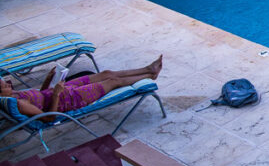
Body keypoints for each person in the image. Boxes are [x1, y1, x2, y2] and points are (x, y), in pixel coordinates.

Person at [0, 56, 162, 122]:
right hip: (69, 100)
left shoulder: (13, 94)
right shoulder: (20, 104)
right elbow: (49, 118)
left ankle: (148, 68)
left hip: (63, 90)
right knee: (113, 81)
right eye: (4, 86)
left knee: (106, 73)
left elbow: (40, 96)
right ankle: (149, 76)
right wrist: (56, 94)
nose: (9, 84)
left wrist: (49, 79)